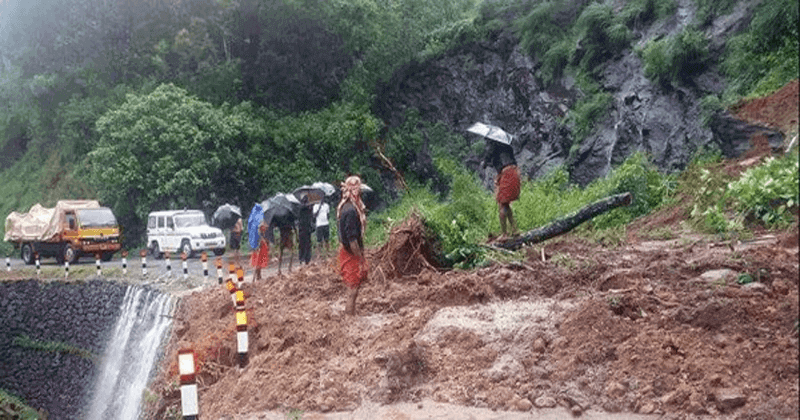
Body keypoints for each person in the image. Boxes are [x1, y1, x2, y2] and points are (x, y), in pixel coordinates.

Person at [337, 175, 369, 316]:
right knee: (353, 287)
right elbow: (352, 240)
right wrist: (361, 258)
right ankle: (349, 317)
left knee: (354, 286)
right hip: (350, 252)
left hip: (349, 251)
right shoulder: (350, 211)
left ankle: (351, 314)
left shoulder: (348, 207)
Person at [485, 140, 520, 239]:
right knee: (506, 204)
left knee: (502, 204)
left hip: (507, 174)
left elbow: (488, 158)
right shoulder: (507, 146)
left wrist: (484, 162)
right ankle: (514, 229)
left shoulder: (494, 145)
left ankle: (504, 234)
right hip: (514, 173)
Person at [297, 195, 313, 265]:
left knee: (306, 244)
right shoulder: (302, 207)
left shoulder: (308, 208)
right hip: (303, 228)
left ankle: (306, 259)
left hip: (306, 229)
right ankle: (303, 258)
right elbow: (303, 208)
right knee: (303, 244)